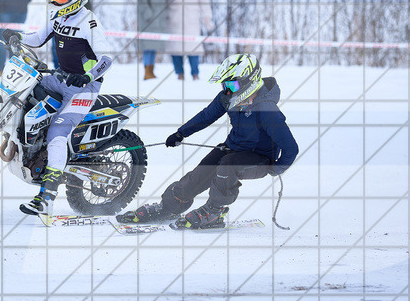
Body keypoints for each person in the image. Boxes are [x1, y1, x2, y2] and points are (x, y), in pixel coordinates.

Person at [116, 53, 298, 229]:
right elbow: (206, 115)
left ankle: (215, 210)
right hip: (232, 149)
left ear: (249, 81)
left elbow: (291, 147)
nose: (227, 91)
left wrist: (277, 168)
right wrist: (181, 133)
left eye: (232, 85)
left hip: (260, 159)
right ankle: (169, 207)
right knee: (199, 175)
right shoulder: (228, 99)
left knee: (227, 166)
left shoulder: (267, 110)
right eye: (224, 85)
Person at [2, 0, 114, 217]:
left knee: (57, 133)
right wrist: (17, 35)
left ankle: (47, 197)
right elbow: (38, 37)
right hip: (60, 78)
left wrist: (87, 76)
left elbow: (107, 59)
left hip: (84, 88)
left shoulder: (89, 22)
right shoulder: (57, 16)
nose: (55, 1)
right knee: (26, 94)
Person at [165, 0, 212, 81]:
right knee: (175, 48)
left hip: (192, 19)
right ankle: (179, 74)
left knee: (194, 47)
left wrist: (207, 16)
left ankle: (195, 74)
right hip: (174, 19)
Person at [137, 0, 168, 80]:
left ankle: (151, 70)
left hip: (158, 18)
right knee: (148, 45)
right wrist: (149, 14)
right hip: (149, 18)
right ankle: (147, 70)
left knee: (153, 44)